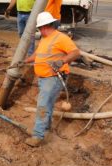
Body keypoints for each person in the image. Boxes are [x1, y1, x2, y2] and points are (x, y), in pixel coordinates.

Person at [23, 12, 80, 147]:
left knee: (42, 105)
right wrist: (24, 61)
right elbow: (38, 54)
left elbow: (76, 52)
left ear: (43, 26)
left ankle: (37, 135)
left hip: (53, 78)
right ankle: (46, 127)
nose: (39, 30)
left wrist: (62, 62)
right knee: (46, 104)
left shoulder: (61, 38)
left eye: (39, 28)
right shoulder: (45, 38)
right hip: (44, 78)